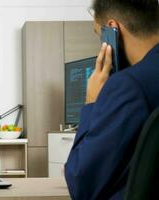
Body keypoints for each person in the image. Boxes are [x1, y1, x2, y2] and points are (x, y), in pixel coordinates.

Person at [65, 0, 159, 199]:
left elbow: (83, 186)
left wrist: (92, 102)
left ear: (113, 28)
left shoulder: (127, 85)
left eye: (100, 35)